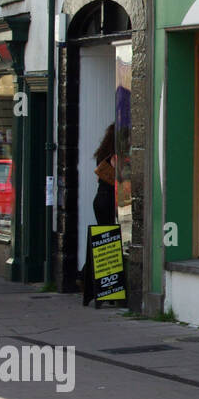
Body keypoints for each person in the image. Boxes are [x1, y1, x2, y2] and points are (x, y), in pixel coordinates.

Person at [82, 124, 118, 304]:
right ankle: (106, 288)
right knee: (108, 242)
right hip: (109, 200)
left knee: (104, 241)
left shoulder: (101, 153)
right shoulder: (113, 156)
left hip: (100, 199)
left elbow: (98, 177)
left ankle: (98, 285)